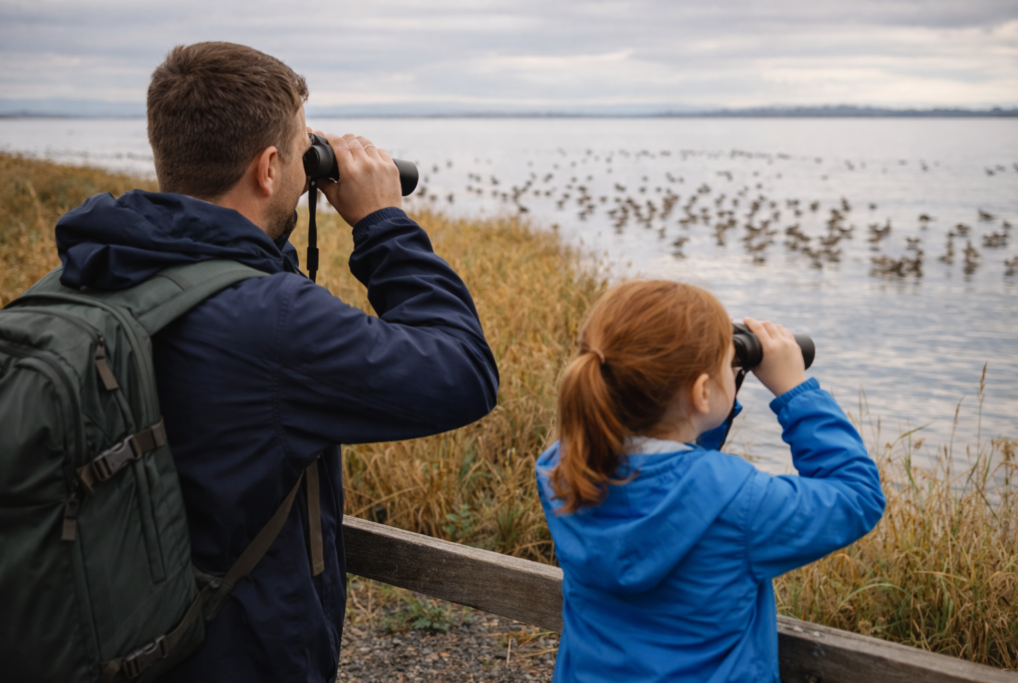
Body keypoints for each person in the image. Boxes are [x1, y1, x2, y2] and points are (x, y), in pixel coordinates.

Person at [54, 42, 499, 682]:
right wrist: (383, 223)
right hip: (233, 656)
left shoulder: (91, 267)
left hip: (105, 640)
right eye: (297, 153)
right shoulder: (274, 323)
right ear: (269, 169)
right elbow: (464, 373)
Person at [535, 280, 885, 682]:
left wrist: (715, 382)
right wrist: (795, 389)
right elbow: (857, 495)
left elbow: (670, 466)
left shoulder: (562, 470)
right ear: (701, 392)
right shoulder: (740, 503)